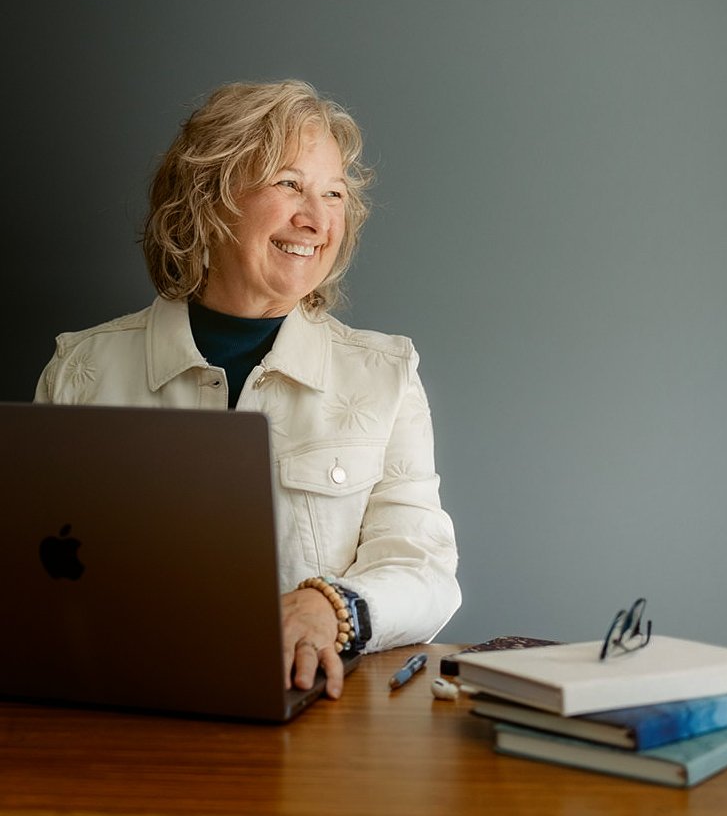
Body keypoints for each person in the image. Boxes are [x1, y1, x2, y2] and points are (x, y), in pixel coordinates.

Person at [34, 80, 461, 698]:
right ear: (208, 196)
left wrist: (331, 607)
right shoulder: (81, 368)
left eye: (333, 193)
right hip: (114, 701)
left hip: (309, 708)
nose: (316, 220)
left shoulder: (385, 374)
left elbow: (425, 569)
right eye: (289, 184)